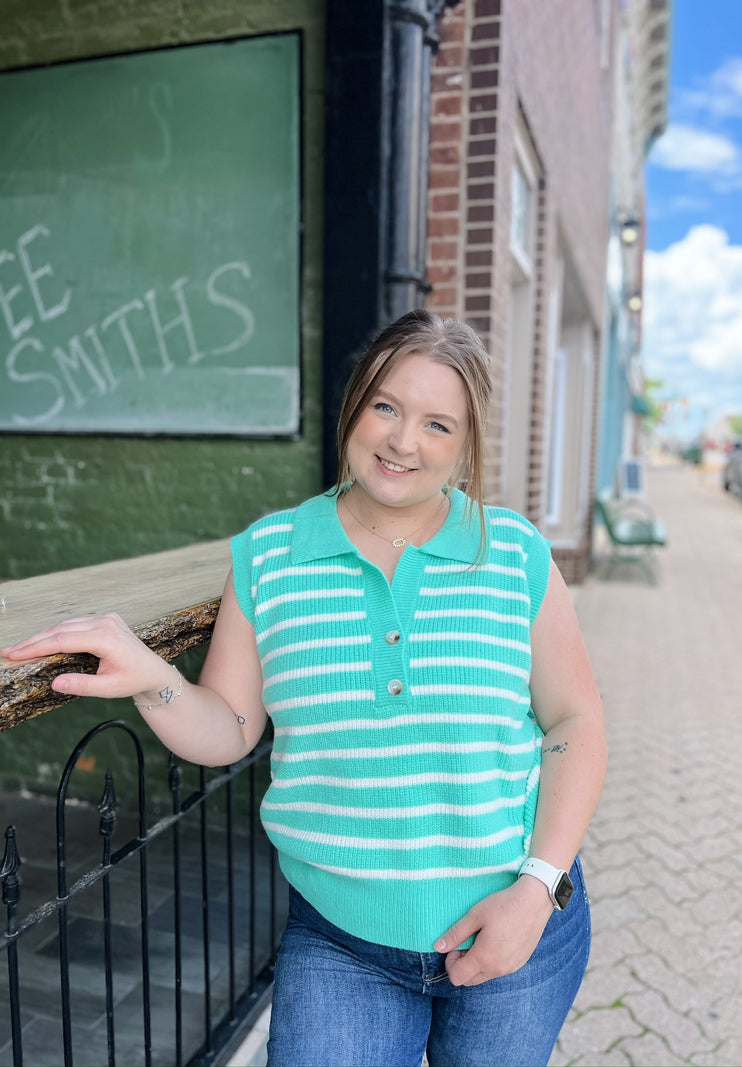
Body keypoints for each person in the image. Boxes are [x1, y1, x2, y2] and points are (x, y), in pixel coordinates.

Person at [2, 309, 607, 1067]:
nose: (402, 441)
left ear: (467, 443)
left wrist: (537, 889)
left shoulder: (512, 553)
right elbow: (228, 726)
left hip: (517, 923)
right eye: (386, 406)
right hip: (341, 945)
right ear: (354, 403)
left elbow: (574, 721)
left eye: (437, 424)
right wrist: (154, 679)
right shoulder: (269, 554)